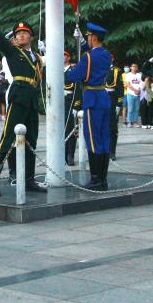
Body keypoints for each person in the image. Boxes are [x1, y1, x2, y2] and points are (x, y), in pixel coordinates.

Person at [0, 5, 46, 196]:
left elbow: (41, 76)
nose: (21, 36)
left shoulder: (36, 58)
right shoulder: (14, 52)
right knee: (7, 139)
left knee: (31, 139)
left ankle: (29, 179)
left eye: (25, 33)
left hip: (32, 99)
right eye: (18, 34)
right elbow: (0, 38)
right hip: (18, 96)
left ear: (31, 37)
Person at [66, 23, 113, 189]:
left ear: (93, 37)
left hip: (92, 99)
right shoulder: (107, 55)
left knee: (92, 139)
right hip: (103, 98)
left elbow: (75, 76)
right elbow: (93, 53)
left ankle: (96, 180)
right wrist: (81, 41)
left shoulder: (88, 57)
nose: (87, 39)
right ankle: (103, 179)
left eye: (88, 37)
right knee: (103, 139)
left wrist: (62, 71)